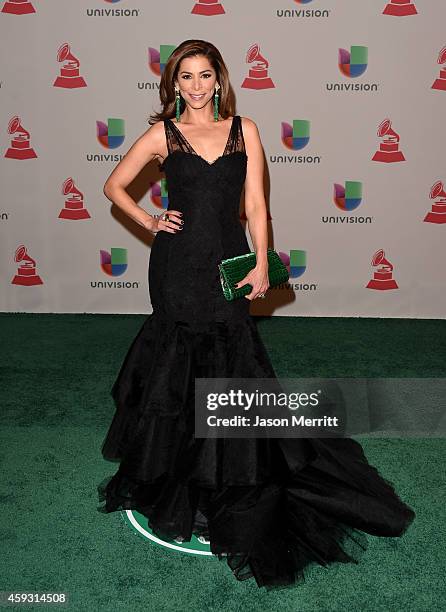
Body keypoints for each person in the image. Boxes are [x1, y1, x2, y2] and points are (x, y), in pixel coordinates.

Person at [97, 39, 415, 591]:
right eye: (185, 77)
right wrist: (149, 221)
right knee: (179, 366)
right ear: (174, 84)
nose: (195, 86)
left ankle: (230, 466)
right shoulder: (161, 135)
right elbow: (112, 186)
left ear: (218, 81)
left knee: (230, 360)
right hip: (176, 270)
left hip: (226, 265)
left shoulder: (246, 130)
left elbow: (256, 206)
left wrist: (263, 263)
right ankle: (180, 469)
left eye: (204, 76)